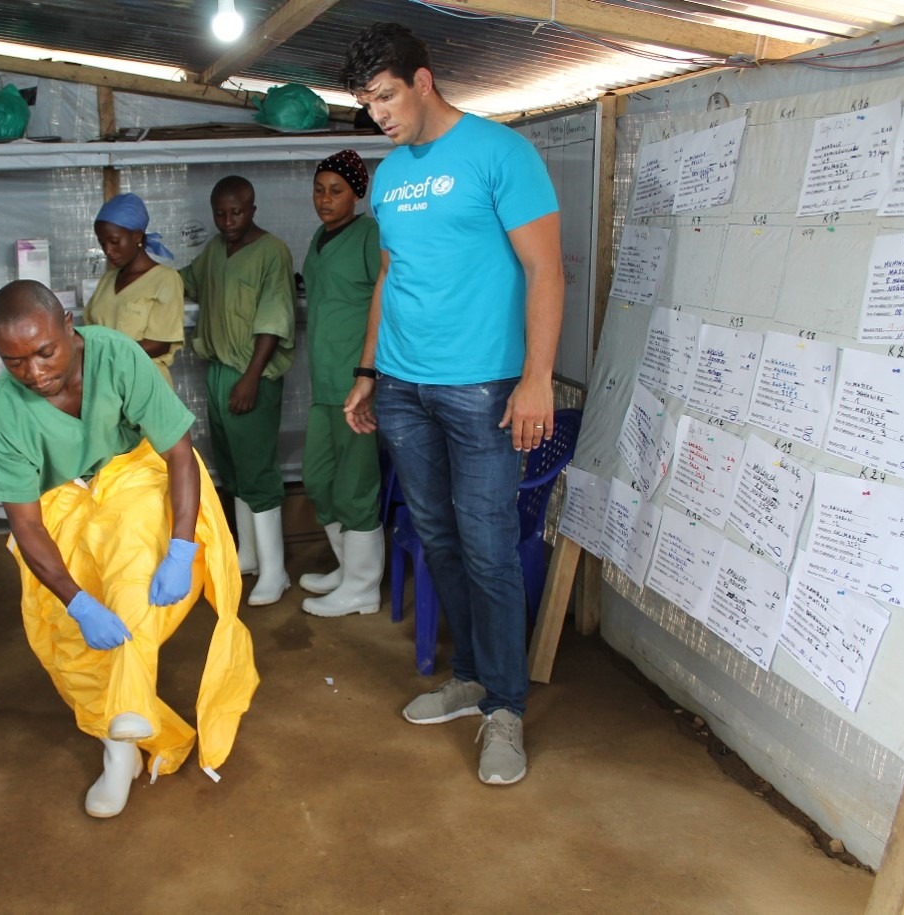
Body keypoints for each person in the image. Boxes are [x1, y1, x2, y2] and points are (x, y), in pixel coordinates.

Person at [341, 23, 563, 786]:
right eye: (366, 102)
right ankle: (470, 675)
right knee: (437, 535)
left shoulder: (503, 154)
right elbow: (390, 277)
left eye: (386, 96)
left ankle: (505, 706)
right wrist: (370, 371)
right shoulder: (391, 173)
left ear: (423, 81)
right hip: (403, 386)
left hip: (483, 388)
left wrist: (537, 377)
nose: (377, 114)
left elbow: (546, 271)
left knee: (489, 545)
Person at [0, 281, 257, 819]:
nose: (34, 372)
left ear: (68, 325)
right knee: (60, 629)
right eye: (14, 362)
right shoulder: (4, 414)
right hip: (61, 498)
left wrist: (179, 547)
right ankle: (119, 746)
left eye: (45, 352)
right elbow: (27, 525)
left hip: (135, 469)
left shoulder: (116, 356)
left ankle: (125, 718)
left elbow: (178, 451)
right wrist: (77, 602)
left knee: (131, 560)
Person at [180, 176, 296, 606]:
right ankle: (248, 554)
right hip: (218, 371)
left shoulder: (271, 252)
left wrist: (250, 377)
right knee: (233, 468)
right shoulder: (215, 249)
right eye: (221, 213)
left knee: (258, 471)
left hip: (252, 377)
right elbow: (187, 281)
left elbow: (274, 319)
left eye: (237, 212)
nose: (228, 221)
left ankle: (275, 570)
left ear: (253, 208)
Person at [298, 150, 384, 618]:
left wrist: (368, 374)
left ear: (357, 193)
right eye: (319, 189)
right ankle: (347, 568)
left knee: (355, 486)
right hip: (323, 382)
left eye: (336, 190)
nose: (325, 199)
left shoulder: (369, 235)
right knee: (317, 479)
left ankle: (363, 588)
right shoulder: (320, 236)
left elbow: (386, 300)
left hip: (356, 383)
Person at [83, 193, 185, 386]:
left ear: (136, 236)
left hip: (144, 385)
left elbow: (159, 344)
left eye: (114, 241)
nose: (108, 250)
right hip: (107, 386)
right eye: (102, 243)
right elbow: (90, 332)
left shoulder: (165, 280)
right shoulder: (108, 279)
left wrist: (107, 356)